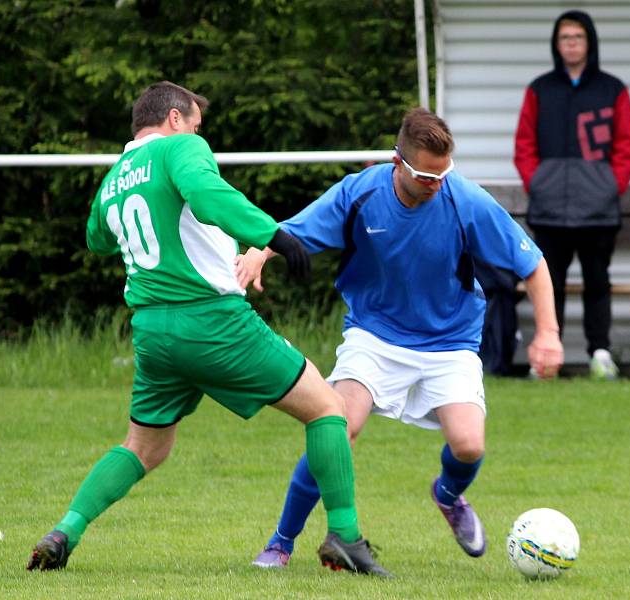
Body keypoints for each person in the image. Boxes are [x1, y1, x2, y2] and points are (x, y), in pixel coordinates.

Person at [26, 81, 389, 577]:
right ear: (175, 118)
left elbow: (97, 238)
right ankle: (345, 538)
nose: (202, 135)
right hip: (211, 321)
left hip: (153, 332)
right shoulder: (181, 147)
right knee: (329, 409)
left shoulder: (115, 177)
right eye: (198, 124)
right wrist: (273, 236)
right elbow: (205, 194)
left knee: (145, 446)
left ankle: (64, 531)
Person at [237, 107, 563, 568]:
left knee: (469, 445)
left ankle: (448, 495)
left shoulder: (464, 199)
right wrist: (258, 251)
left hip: (450, 340)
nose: (436, 183)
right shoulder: (360, 194)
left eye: (443, 173)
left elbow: (533, 263)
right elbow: (292, 230)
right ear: (398, 163)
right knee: (336, 425)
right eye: (425, 175)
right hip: (375, 335)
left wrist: (547, 333)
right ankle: (280, 541)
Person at [514, 10, 630, 379]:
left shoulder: (612, 89)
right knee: (547, 282)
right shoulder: (540, 90)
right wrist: (538, 183)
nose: (571, 43)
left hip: (598, 212)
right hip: (549, 210)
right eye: (564, 37)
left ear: (590, 42)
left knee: (597, 282)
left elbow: (627, 148)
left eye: (578, 37)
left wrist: (607, 188)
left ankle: (600, 353)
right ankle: (548, 358)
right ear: (556, 44)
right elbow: (523, 145)